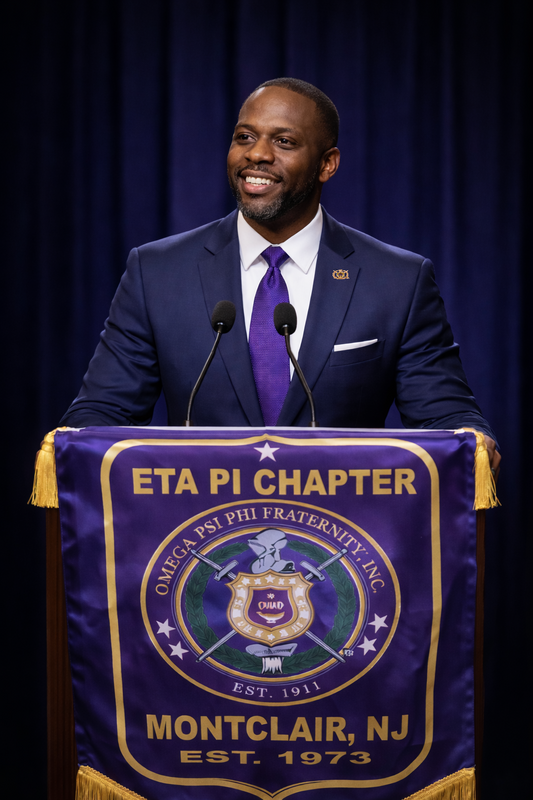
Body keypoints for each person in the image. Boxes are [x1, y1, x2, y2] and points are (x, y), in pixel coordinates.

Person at [60, 77, 500, 472]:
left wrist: (472, 444)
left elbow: (444, 417)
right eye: (244, 137)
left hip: (343, 541)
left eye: (284, 142)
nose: (257, 154)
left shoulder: (397, 280)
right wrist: (74, 446)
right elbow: (102, 413)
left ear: (327, 164)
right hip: (200, 537)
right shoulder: (156, 272)